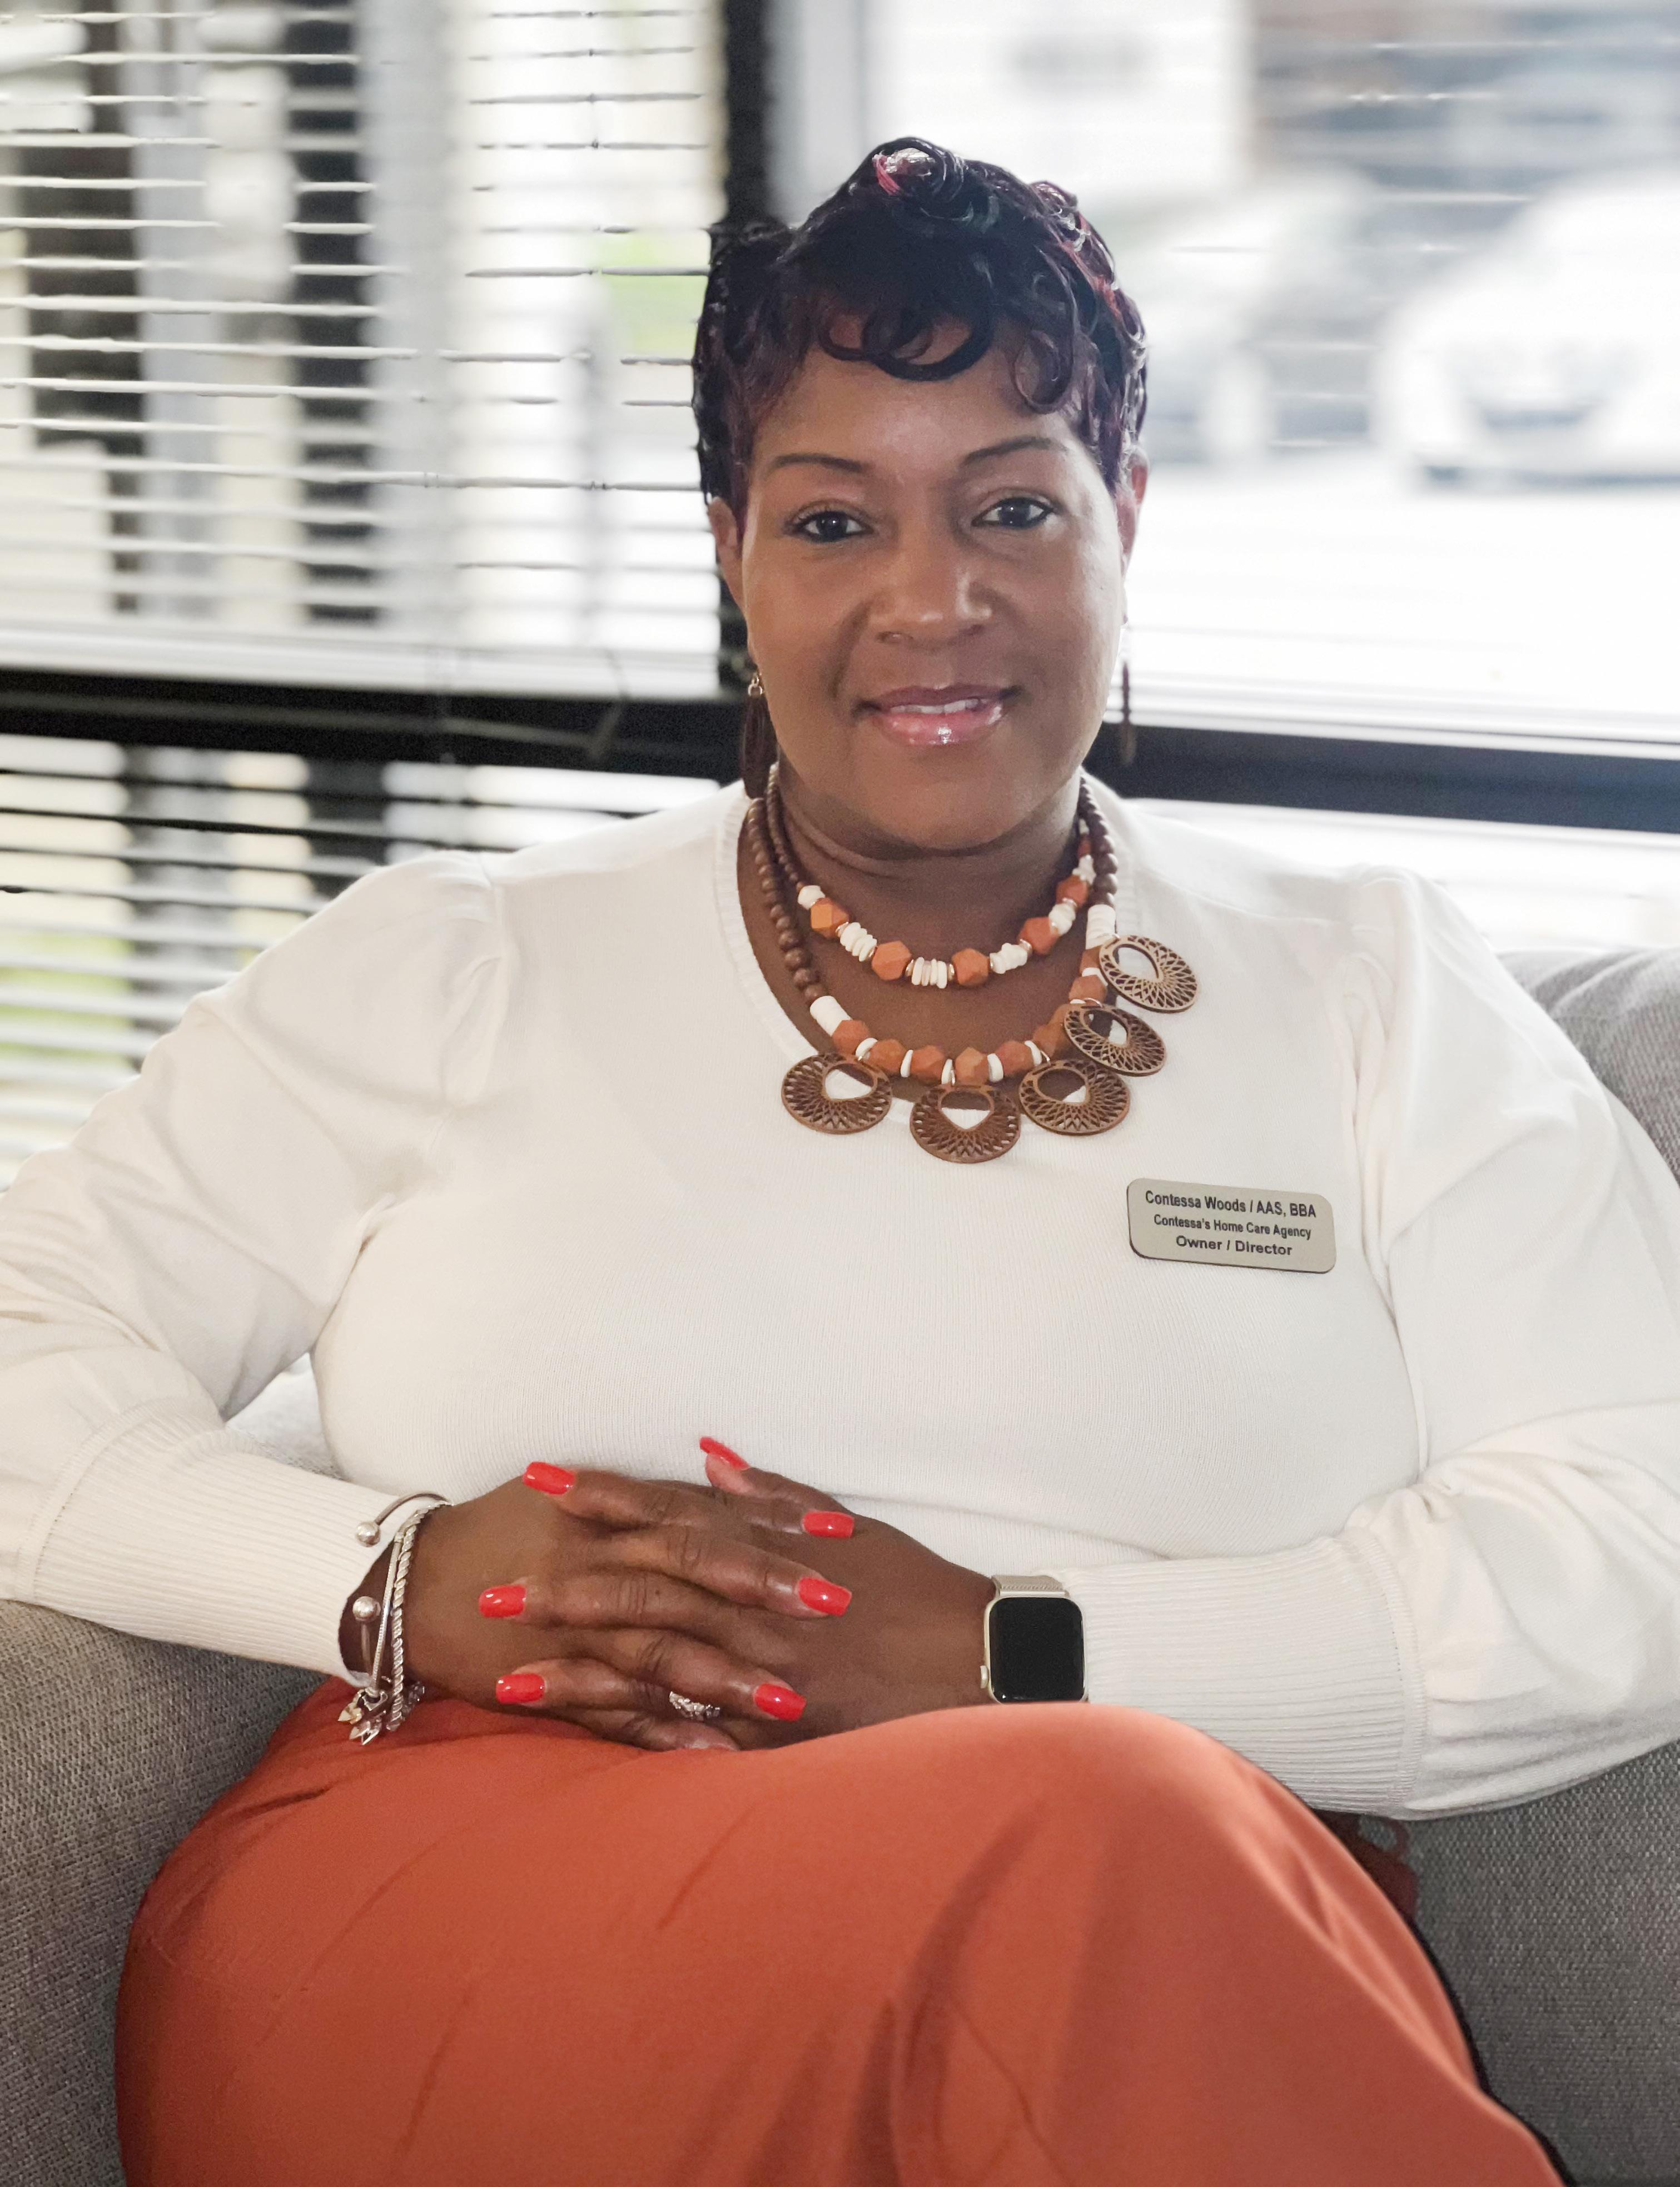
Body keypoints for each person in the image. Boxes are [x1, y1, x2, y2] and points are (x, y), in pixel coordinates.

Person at [2, 138, 1675, 2186]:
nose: (930, 601)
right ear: (733, 554)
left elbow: (1639, 1532)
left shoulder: (1368, 987)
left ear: (1128, 520)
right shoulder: (460, 962)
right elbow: (28, 1333)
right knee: (1110, 1843)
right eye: (831, 520)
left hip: (1165, 1932)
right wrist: (389, 1581)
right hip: (469, 1917)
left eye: (1012, 508)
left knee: (1109, 1837)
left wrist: (1014, 1656)